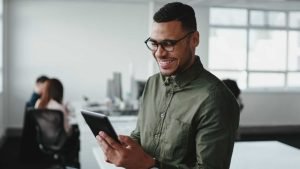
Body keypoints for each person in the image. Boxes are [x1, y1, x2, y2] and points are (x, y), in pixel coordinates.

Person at [96, 2, 240, 169]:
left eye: (169, 43)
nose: (159, 53)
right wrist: (123, 149)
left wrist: (149, 165)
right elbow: (140, 135)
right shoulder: (152, 83)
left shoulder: (215, 99)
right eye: (154, 43)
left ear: (194, 40)